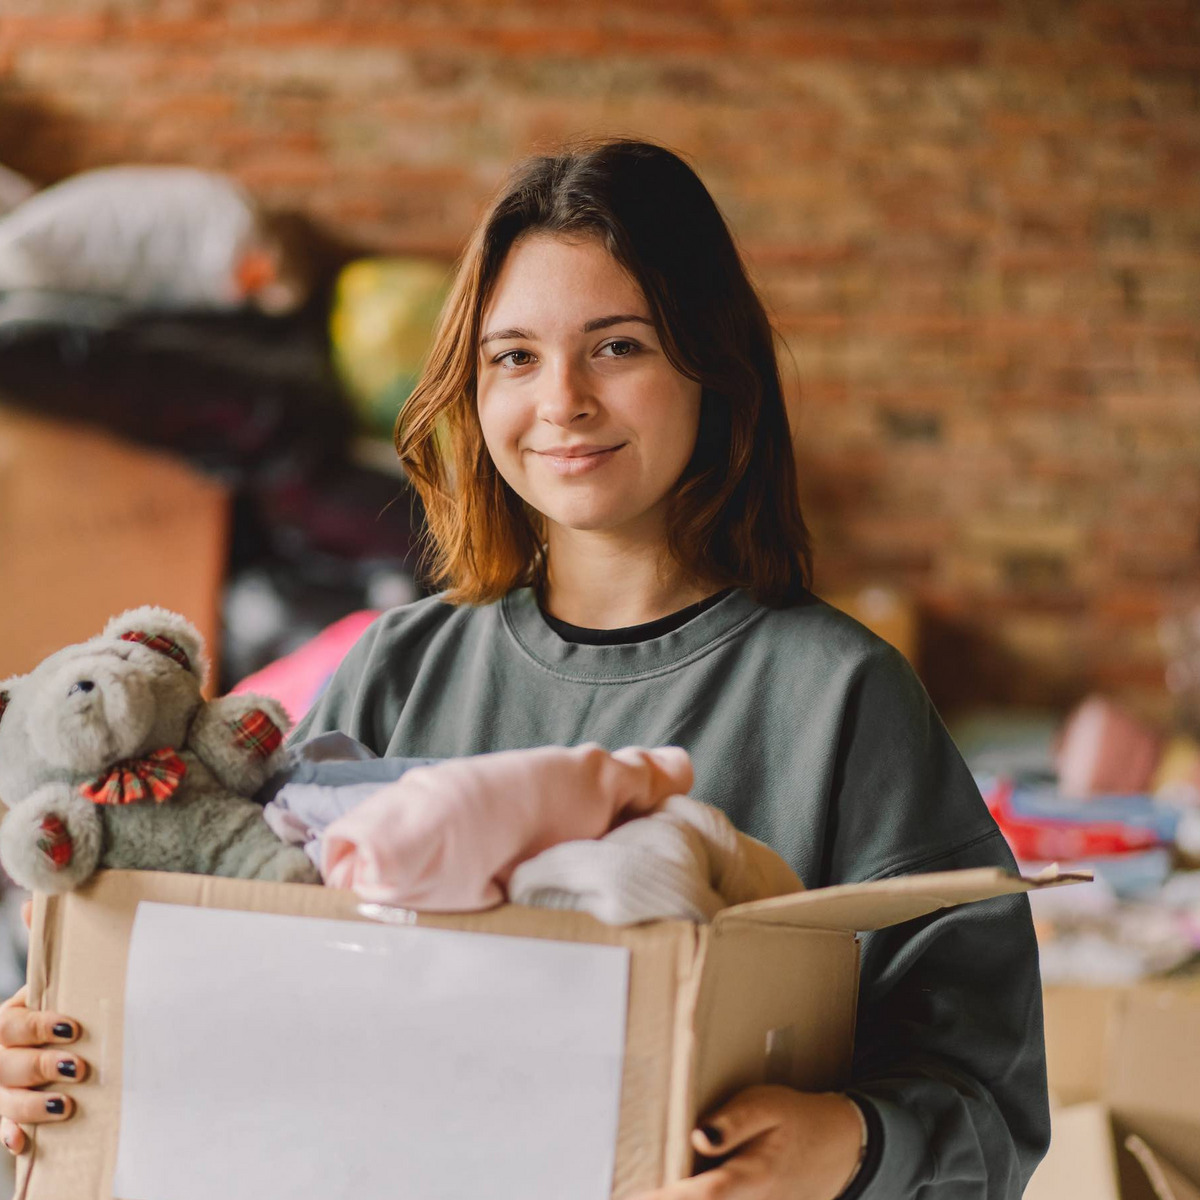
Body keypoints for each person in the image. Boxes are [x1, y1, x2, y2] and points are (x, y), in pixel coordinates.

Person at [0, 138, 1050, 1199]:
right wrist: (37, 1048)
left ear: (712, 364)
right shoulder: (398, 670)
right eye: (514, 356)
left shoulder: (841, 697)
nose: (563, 402)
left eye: (618, 347)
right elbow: (237, 948)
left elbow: (993, 1106)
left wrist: (846, 1142)